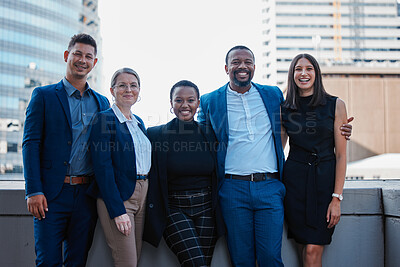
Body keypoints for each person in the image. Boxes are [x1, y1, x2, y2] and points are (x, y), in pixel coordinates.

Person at [197, 45, 353, 267]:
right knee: (241, 259)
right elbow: (200, 139)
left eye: (248, 62)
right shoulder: (210, 100)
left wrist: (343, 130)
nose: (242, 66)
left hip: (271, 187)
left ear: (254, 67)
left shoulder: (272, 95)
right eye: (236, 62)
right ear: (226, 68)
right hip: (233, 188)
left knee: (271, 258)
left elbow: (313, 124)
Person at [22, 33, 110, 266]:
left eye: (88, 56)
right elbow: (30, 144)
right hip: (50, 194)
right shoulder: (43, 95)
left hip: (86, 196)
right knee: (48, 261)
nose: (82, 60)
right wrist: (33, 190)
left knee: (77, 261)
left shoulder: (102, 102)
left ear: (95, 63)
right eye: (77, 54)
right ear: (66, 56)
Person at [143, 80, 225, 266]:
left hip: (206, 208)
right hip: (174, 209)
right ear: (171, 104)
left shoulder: (210, 133)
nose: (185, 105)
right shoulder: (155, 134)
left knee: (203, 262)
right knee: (195, 263)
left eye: (191, 100)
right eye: (179, 100)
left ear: (198, 103)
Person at [281, 54, 347, 267]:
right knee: (304, 251)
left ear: (316, 73)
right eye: (298, 69)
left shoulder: (336, 104)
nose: (303, 73)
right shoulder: (284, 108)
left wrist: (336, 198)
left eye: (309, 68)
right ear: (292, 75)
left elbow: (342, 155)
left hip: (324, 184)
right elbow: (278, 150)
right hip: (294, 185)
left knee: (312, 251)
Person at [89, 68, 151, 267]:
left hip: (142, 193)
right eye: (122, 85)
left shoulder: (138, 122)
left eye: (133, 85)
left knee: (136, 256)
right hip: (119, 197)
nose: (128, 89)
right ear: (112, 90)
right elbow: (103, 168)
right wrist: (117, 210)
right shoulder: (104, 119)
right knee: (127, 262)